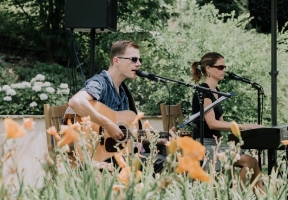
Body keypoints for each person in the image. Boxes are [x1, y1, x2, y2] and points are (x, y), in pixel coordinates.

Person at [68, 40, 166, 173]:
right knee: (165, 164)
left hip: (116, 156)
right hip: (97, 159)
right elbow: (76, 101)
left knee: (165, 155)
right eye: (133, 59)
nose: (138, 64)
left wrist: (156, 138)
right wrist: (108, 124)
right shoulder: (100, 83)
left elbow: (126, 135)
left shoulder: (123, 91)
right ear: (116, 60)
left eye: (139, 59)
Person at [190, 52, 264, 190]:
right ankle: (235, 194)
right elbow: (212, 123)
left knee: (252, 161)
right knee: (248, 161)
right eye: (220, 67)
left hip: (216, 143)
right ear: (208, 68)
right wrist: (242, 126)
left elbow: (221, 123)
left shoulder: (216, 90)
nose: (224, 70)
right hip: (205, 145)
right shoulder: (203, 91)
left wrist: (241, 132)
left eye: (225, 67)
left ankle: (266, 196)